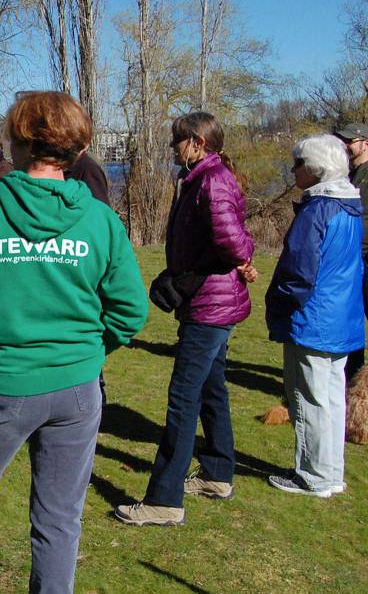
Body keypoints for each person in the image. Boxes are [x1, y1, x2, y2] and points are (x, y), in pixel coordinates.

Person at [0, 91, 147, 594]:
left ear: (21, 144)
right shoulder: (98, 219)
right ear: (74, 149)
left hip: (4, 384)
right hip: (75, 387)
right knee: (59, 515)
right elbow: (129, 312)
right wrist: (87, 353)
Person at [116, 111, 257, 528]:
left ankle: (164, 499)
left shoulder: (212, 180)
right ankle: (217, 472)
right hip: (209, 301)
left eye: (176, 140)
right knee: (212, 387)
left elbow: (231, 238)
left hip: (210, 306)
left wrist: (243, 259)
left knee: (183, 397)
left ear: (196, 142)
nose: (171, 147)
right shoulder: (202, 177)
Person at [265, 135, 364, 498]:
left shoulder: (318, 210)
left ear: (315, 169)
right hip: (339, 317)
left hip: (315, 318)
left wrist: (278, 305)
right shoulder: (349, 206)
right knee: (332, 398)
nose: (293, 170)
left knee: (310, 398)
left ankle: (313, 475)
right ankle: (330, 471)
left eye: (298, 164)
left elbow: (299, 270)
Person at [334, 122, 368, 378]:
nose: (345, 146)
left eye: (350, 141)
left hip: (366, 254)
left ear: (364, 142)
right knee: (350, 318)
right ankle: (352, 375)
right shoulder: (346, 175)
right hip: (350, 257)